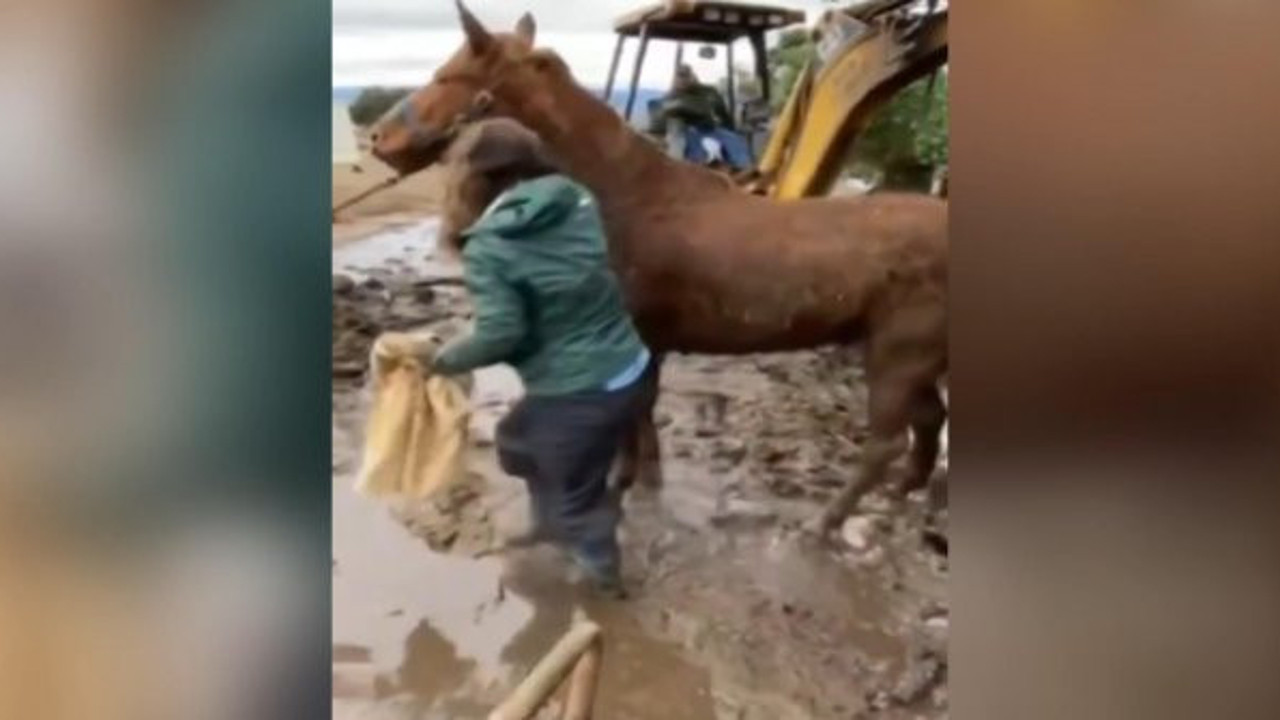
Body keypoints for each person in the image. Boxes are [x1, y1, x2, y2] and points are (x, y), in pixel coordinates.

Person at [427, 120, 655, 597]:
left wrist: (438, 359)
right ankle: (551, 522)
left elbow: (502, 334)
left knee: (577, 494)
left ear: (475, 179)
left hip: (580, 389)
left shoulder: (490, 246)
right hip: (629, 367)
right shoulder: (575, 198)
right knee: (516, 442)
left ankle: (606, 583)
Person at [653, 65, 753, 170]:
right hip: (687, 131)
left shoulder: (709, 92)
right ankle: (698, 169)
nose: (683, 80)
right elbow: (659, 120)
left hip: (711, 128)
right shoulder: (671, 97)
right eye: (680, 76)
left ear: (693, 76)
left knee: (734, 139)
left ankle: (745, 169)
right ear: (675, 79)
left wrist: (730, 128)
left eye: (686, 76)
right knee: (691, 146)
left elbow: (723, 114)